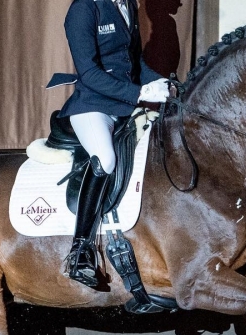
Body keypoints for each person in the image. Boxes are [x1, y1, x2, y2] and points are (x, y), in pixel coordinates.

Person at [54, 0, 170, 288]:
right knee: (105, 159)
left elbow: (133, 62)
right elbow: (88, 72)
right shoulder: (84, 9)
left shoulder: (127, 4)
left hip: (125, 106)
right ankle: (80, 251)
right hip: (93, 106)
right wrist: (140, 91)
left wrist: (161, 82)